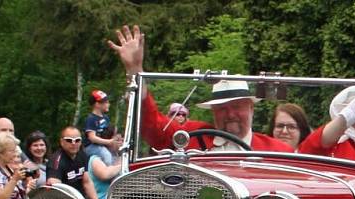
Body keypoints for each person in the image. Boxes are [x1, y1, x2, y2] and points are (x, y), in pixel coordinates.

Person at [109, 24, 293, 153]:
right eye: (222, 108)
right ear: (213, 111)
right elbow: (153, 127)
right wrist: (134, 70)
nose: (230, 114)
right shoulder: (193, 137)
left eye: (236, 106)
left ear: (251, 108)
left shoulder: (276, 151)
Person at [84, 90, 120, 164]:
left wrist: (115, 139)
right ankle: (106, 173)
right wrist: (108, 142)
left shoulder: (105, 118)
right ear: (97, 104)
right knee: (106, 155)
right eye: (106, 102)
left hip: (102, 145)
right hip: (91, 146)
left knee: (116, 156)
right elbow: (92, 138)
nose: (108, 104)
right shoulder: (91, 118)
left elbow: (108, 132)